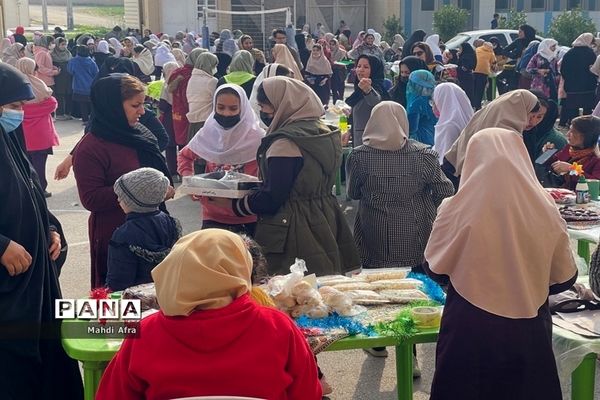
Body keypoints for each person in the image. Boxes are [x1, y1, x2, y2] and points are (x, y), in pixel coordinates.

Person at [425, 127, 577, 400]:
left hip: (468, 327)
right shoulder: (545, 206)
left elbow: (434, 267)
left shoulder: (456, 206)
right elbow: (565, 278)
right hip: (528, 327)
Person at [96, 229, 322, 399]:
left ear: (173, 270)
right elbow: (308, 393)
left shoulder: (145, 333)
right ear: (241, 269)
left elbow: (111, 395)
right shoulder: (277, 326)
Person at [0, 62, 83, 400]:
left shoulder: (11, 146)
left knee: (47, 360)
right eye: (14, 106)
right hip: (8, 291)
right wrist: (2, 245)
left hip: (34, 283)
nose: (19, 115)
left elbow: (31, 196)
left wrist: (50, 228)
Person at [219, 76, 360, 276]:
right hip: (325, 215)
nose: (263, 113)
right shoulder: (324, 132)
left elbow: (273, 197)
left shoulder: (285, 143)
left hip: (292, 227)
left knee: (292, 292)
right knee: (322, 287)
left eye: (265, 107)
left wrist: (232, 206)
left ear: (282, 104)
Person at [72, 74, 174, 288]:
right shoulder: (91, 147)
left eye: (142, 104)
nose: (142, 111)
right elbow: (91, 198)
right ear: (112, 106)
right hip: (117, 235)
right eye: (135, 105)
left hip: (154, 229)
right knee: (122, 304)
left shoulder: (139, 133)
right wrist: (143, 192)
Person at [347, 101, 453, 269]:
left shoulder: (359, 156)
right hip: (416, 230)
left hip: (374, 231)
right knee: (417, 284)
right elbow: (445, 190)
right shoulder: (424, 155)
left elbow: (353, 193)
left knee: (378, 283)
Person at [179, 85, 265, 234]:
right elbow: (184, 155)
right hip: (212, 215)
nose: (226, 113)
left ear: (243, 108)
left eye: (233, 109)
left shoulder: (258, 138)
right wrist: (189, 180)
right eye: (220, 107)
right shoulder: (208, 132)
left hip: (248, 217)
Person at [443, 89, 540, 187]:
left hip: (457, 171)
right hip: (478, 184)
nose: (530, 122)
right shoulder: (508, 133)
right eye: (530, 116)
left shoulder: (484, 114)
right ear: (520, 111)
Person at [106, 168, 180, 291]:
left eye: (122, 197)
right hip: (166, 291)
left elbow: (118, 279)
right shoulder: (170, 222)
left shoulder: (123, 235)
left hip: (137, 297)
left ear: (135, 202)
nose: (118, 200)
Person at [16, 57, 59, 197]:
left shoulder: (14, 84)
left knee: (23, 162)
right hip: (41, 132)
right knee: (40, 163)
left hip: (22, 132)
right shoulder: (39, 85)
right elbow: (52, 104)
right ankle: (41, 188)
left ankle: (27, 187)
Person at [546, 115, 600, 190]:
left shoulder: (596, 158)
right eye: (569, 130)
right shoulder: (570, 148)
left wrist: (572, 169)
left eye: (573, 132)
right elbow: (548, 164)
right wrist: (547, 153)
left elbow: (596, 184)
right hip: (562, 194)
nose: (567, 134)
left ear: (587, 136)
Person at [346, 54, 387, 146]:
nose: (360, 70)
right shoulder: (359, 89)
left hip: (371, 141)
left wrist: (368, 90)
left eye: (366, 67)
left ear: (374, 70)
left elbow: (376, 101)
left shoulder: (375, 88)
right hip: (358, 139)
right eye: (358, 66)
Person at [169, 48, 205, 146]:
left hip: (177, 110)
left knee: (181, 139)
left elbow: (169, 89)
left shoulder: (177, 72)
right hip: (191, 111)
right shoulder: (194, 75)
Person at [560, 33, 597, 127]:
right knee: (587, 108)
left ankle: (574, 125)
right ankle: (586, 126)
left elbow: (563, 69)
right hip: (588, 86)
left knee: (573, 108)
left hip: (572, 86)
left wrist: (568, 79)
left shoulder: (570, 53)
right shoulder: (590, 53)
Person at [432, 82, 474, 164]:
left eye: (435, 102)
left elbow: (443, 159)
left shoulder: (448, 126)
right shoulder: (468, 118)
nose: (434, 106)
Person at [523, 92, 566, 164]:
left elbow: (539, 164)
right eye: (530, 115)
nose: (533, 121)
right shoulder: (526, 132)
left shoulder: (554, 141)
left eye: (539, 117)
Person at [186, 52, 218, 142]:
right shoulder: (211, 81)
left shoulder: (191, 79)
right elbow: (216, 101)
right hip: (207, 122)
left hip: (192, 122)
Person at [67, 45, 99, 123]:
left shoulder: (73, 61)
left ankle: (85, 119)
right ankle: (92, 118)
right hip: (90, 85)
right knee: (91, 103)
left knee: (82, 104)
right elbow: (96, 73)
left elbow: (70, 71)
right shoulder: (91, 62)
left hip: (78, 86)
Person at [406, 70, 437, 146]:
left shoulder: (416, 102)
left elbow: (412, 127)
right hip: (434, 134)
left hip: (420, 139)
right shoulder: (434, 97)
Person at [51, 37, 73, 120]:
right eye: (62, 44)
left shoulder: (68, 53)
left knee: (68, 94)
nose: (64, 46)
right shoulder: (52, 54)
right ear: (57, 45)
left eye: (65, 44)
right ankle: (60, 114)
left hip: (68, 77)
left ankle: (68, 113)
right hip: (58, 77)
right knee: (60, 94)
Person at [473, 42, 496, 109]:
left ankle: (474, 104)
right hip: (484, 72)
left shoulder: (477, 50)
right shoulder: (491, 52)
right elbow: (493, 63)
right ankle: (478, 106)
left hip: (474, 71)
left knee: (474, 89)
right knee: (480, 90)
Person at [456, 42, 477, 107]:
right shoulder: (471, 54)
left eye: (460, 48)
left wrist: (456, 68)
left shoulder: (466, 57)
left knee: (467, 93)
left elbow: (464, 68)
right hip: (469, 76)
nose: (459, 50)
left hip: (465, 77)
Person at [329, 38, 347, 103]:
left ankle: (341, 100)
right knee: (334, 88)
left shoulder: (342, 52)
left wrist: (337, 63)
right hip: (332, 71)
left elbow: (346, 62)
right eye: (330, 44)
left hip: (340, 71)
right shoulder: (328, 52)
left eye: (333, 44)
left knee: (341, 88)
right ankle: (335, 101)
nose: (331, 46)